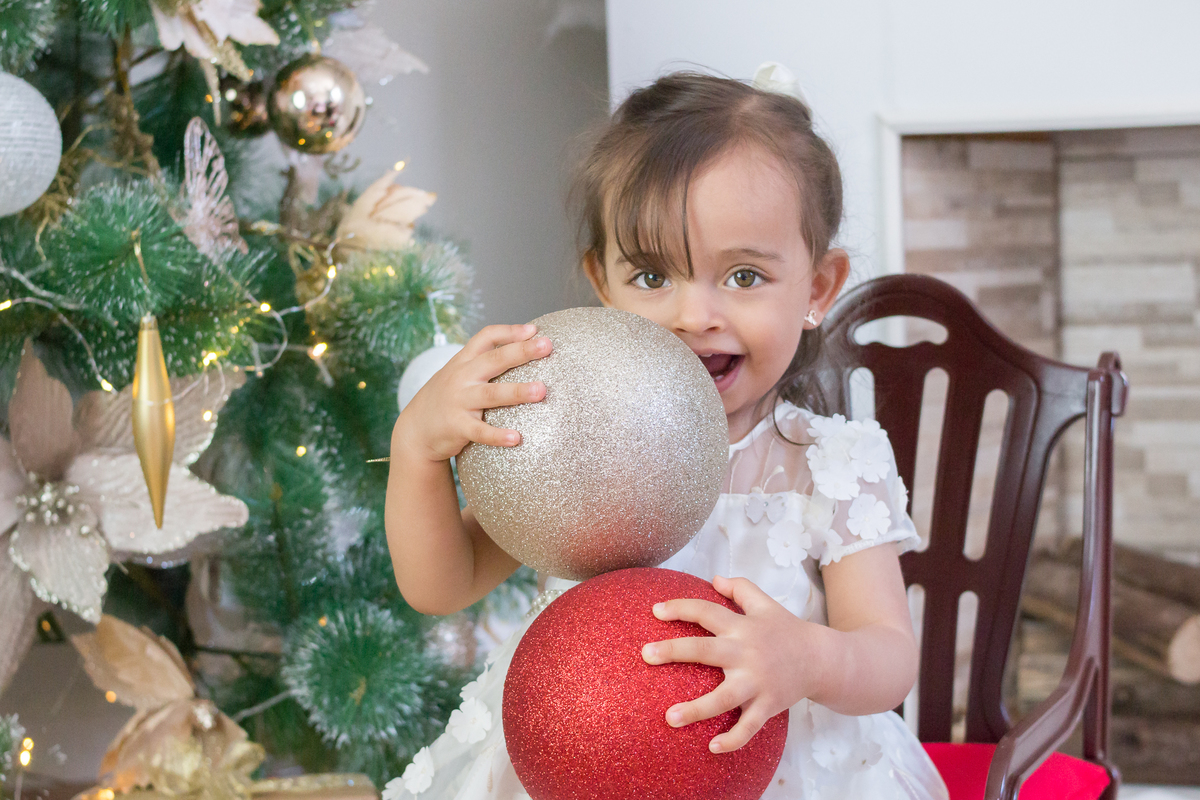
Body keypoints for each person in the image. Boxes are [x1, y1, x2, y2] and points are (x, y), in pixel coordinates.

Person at [383, 69, 949, 800]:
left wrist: (806, 658)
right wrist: (416, 452)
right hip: (578, 764)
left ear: (817, 288)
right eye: (652, 277)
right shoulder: (573, 447)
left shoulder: (829, 466)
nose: (694, 314)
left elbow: (889, 657)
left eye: (744, 277)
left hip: (781, 769)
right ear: (602, 283)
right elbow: (442, 583)